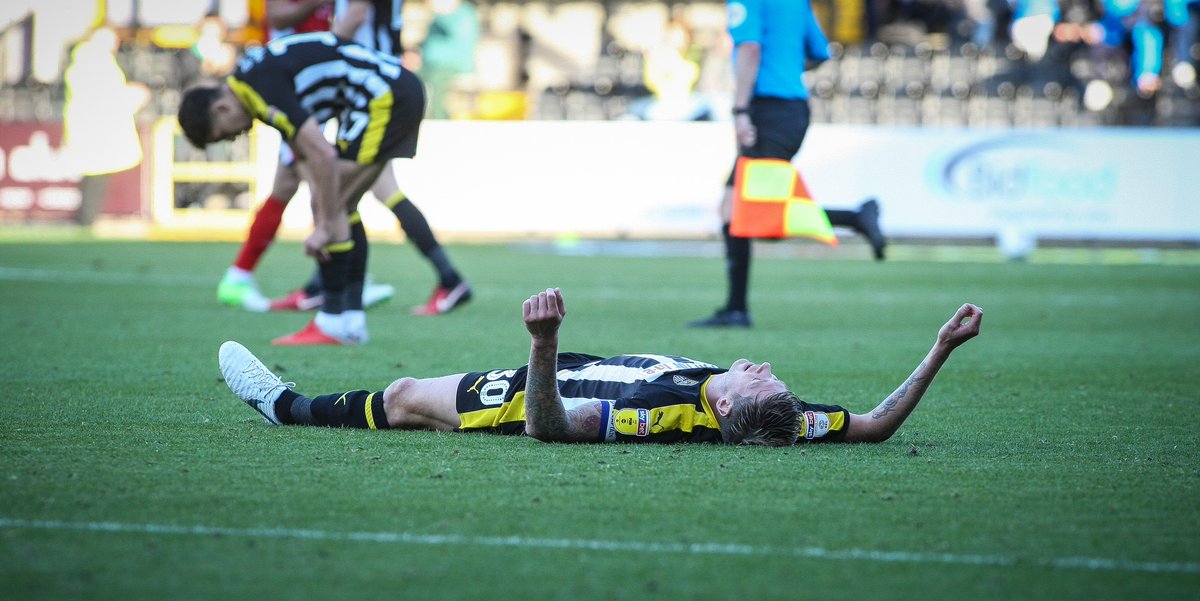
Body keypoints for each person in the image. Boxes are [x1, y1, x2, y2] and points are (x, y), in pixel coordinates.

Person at [219, 287, 984, 446]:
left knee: (403, 395)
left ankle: (286, 407)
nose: (766, 365)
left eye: (759, 376)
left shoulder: (658, 415)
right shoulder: (785, 420)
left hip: (534, 390)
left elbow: (552, 428)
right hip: (562, 365)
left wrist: (543, 345)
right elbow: (875, 425)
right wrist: (940, 349)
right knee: (405, 395)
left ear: (724, 407)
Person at [216, 0, 470, 316]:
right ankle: (342, 294)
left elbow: (353, 15)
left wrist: (328, 55)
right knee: (344, 192)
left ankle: (333, 297)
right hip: (364, 79)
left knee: (331, 194)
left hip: (363, 82)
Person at [179, 32, 425, 345]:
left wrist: (324, 224)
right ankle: (350, 320)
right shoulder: (252, 79)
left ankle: (333, 322)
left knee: (332, 207)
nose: (234, 137)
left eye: (223, 135)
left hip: (385, 98)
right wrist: (322, 208)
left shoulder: (257, 88)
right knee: (338, 205)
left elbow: (322, 154)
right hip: (389, 93)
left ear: (221, 109)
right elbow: (306, 151)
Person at [689, 0, 887, 329]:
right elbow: (819, 53)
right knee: (733, 211)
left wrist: (740, 110)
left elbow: (750, 48)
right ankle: (735, 309)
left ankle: (856, 217)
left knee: (754, 216)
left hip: (767, 111)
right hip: (791, 110)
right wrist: (785, 67)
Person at [62, 26, 150, 226]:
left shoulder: (101, 61)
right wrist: (132, 95)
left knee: (96, 172)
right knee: (93, 172)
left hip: (99, 125)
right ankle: (86, 218)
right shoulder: (89, 60)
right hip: (94, 126)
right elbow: (100, 96)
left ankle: (88, 217)